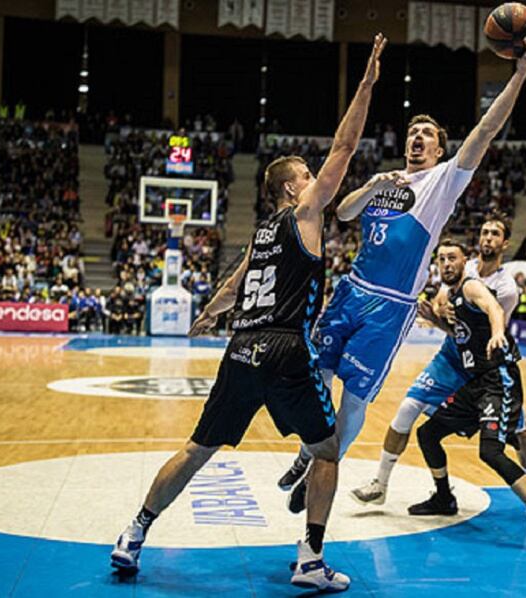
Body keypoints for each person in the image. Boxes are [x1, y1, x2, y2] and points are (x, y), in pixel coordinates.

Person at [108, 34, 386, 593]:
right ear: (292, 187)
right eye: (307, 176)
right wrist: (366, 84)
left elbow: (234, 285)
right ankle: (310, 560)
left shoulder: (261, 234)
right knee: (327, 450)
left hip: (241, 346)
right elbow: (344, 149)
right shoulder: (303, 212)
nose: (317, 181)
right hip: (285, 346)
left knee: (197, 449)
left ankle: (133, 534)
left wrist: (209, 314)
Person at [279, 30, 526, 510]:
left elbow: (485, 131)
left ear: (441, 150)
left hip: (391, 304)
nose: (416, 138)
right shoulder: (389, 180)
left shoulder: (443, 181)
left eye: (426, 135)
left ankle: (324, 464)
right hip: (351, 289)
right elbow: (341, 214)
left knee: (354, 400)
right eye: (411, 134)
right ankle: (307, 451)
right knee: (314, 375)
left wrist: (521, 72)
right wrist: (370, 186)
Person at [350, 216, 526, 506]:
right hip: (451, 357)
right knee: (407, 408)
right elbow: (442, 300)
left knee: (521, 434)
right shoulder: (463, 267)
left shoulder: (506, 288)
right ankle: (381, 483)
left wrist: (449, 318)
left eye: (495, 234)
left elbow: (477, 329)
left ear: (505, 244)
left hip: (485, 363)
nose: (488, 238)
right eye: (484, 232)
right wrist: (442, 311)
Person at [409, 240, 526, 559]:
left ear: (465, 261)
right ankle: (443, 497)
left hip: (500, 379)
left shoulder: (470, 287)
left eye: (452, 258)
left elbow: (493, 307)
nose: (446, 264)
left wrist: (498, 331)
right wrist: (438, 321)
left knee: (491, 452)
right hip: (476, 384)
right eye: (441, 259)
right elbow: (462, 336)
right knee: (427, 434)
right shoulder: (453, 297)